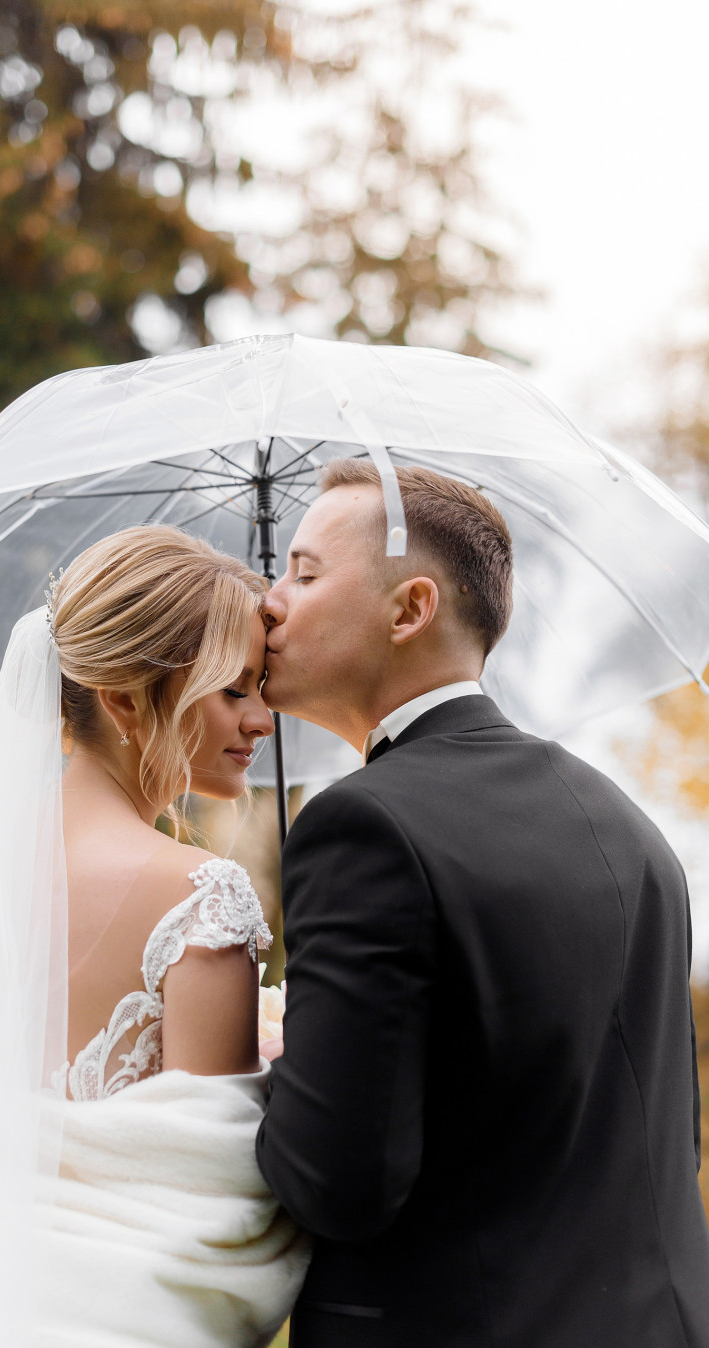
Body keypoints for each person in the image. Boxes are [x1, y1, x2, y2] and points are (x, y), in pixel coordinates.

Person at [0, 524, 308, 1348]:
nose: (263, 720)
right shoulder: (202, 900)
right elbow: (212, 1201)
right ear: (121, 697)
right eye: (235, 691)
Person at [256, 457, 709, 1348]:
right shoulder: (629, 828)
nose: (270, 600)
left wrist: (277, 1062)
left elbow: (336, 1182)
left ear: (410, 609)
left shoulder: (364, 827)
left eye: (305, 574)